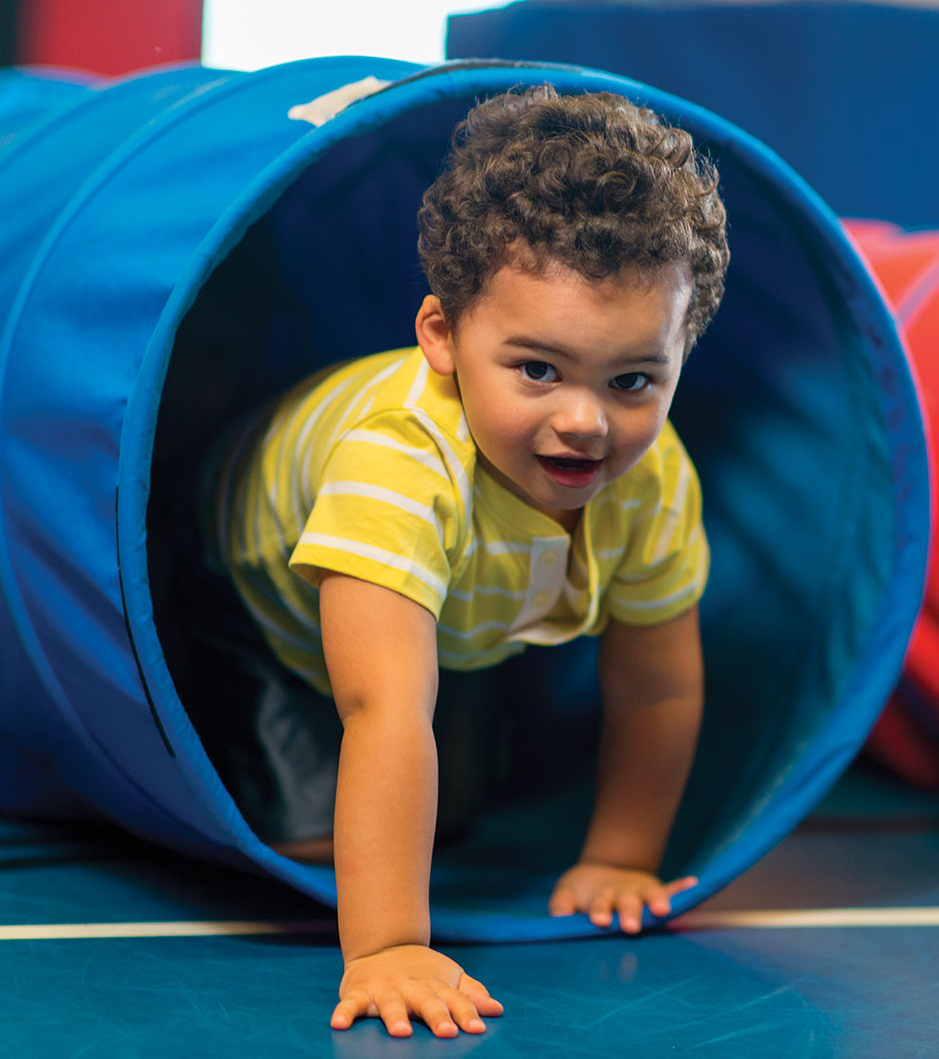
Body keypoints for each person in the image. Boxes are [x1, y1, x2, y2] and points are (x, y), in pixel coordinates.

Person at [186, 84, 729, 1038]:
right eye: (537, 369)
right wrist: (390, 943)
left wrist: (620, 856)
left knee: (459, 800)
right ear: (441, 334)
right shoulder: (397, 465)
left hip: (459, 614)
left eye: (634, 379)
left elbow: (656, 687)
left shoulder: (653, 479)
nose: (584, 420)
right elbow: (382, 707)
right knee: (322, 833)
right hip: (246, 596)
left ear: (681, 356)